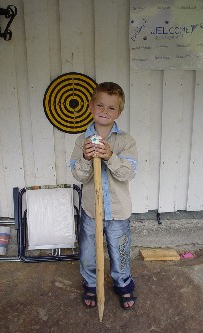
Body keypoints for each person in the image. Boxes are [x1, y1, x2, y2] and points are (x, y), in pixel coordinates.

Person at [70, 82, 138, 309]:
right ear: (91, 107)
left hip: (118, 211)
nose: (105, 111)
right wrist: (86, 158)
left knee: (119, 250)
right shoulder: (83, 140)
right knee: (89, 251)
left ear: (118, 112)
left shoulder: (126, 141)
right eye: (100, 105)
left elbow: (128, 173)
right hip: (91, 210)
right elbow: (79, 175)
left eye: (111, 108)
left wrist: (110, 157)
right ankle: (91, 283)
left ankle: (123, 284)